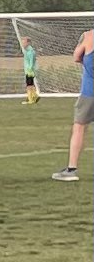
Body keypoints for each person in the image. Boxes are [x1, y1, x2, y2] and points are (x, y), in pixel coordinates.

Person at [52, 30, 94, 182]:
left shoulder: (89, 36)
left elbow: (77, 57)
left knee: (79, 128)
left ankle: (71, 169)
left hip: (89, 93)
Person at [21, 37, 39, 105]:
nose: (23, 44)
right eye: (22, 42)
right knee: (30, 85)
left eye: (24, 42)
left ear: (28, 43)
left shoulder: (31, 51)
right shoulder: (27, 50)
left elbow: (31, 62)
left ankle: (31, 100)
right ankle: (34, 96)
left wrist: (30, 70)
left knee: (29, 85)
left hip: (30, 71)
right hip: (28, 70)